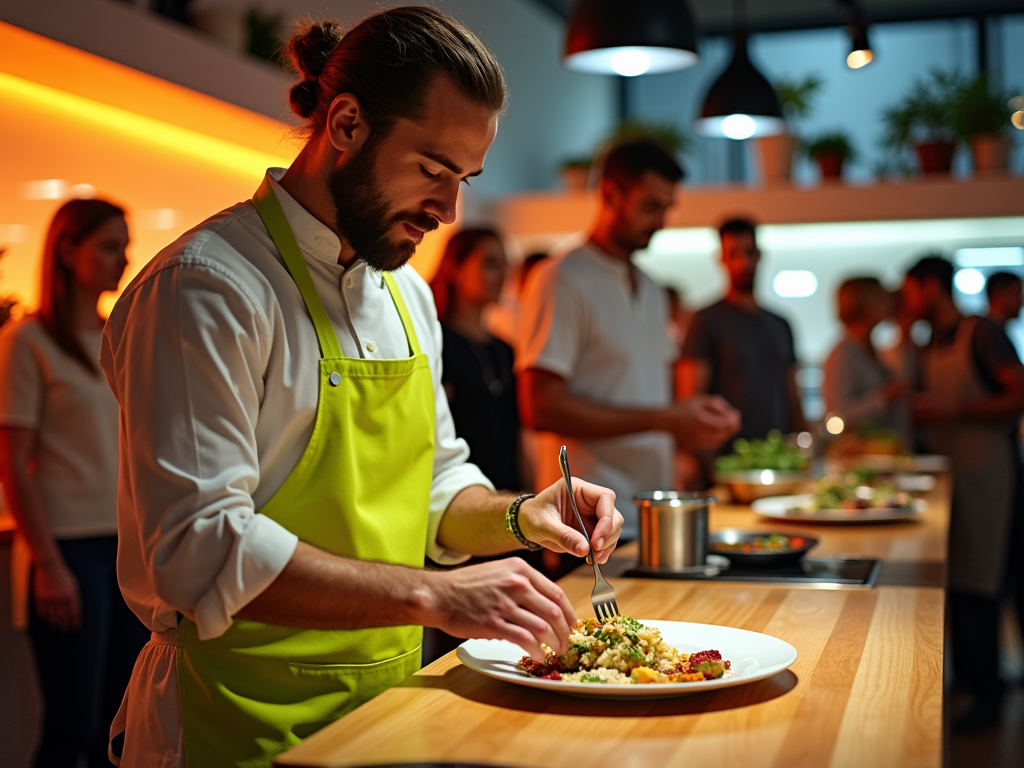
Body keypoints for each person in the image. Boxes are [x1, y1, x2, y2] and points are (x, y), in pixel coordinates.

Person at [99, 10, 623, 767]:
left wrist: (524, 514)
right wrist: (434, 596)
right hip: (233, 717)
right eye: (432, 170)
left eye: (463, 180)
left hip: (386, 708)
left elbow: (437, 487)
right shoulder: (205, 288)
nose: (449, 211)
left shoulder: (406, 295)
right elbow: (199, 548)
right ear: (345, 124)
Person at [517, 138, 740, 539]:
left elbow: (648, 389)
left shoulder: (652, 288)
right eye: (651, 206)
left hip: (649, 508)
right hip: (585, 521)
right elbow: (540, 406)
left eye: (667, 207)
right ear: (610, 194)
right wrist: (667, 420)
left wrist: (693, 419)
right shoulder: (561, 279)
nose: (661, 221)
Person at [0, 199, 149, 768]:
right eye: (110, 246)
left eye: (125, 246)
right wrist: (48, 562)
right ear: (67, 250)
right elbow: (13, 462)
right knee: (74, 723)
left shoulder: (118, 335)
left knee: (123, 722)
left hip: (126, 547)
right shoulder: (27, 341)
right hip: (68, 548)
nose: (123, 259)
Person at [902, 255, 1024, 731]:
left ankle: (988, 694)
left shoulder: (984, 333)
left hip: (990, 472)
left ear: (931, 288)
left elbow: (1018, 394)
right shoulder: (929, 340)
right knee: (962, 585)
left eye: (911, 291)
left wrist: (956, 408)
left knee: (985, 583)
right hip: (954, 475)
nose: (908, 301)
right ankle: (973, 683)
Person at [679, 218, 808, 451]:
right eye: (734, 254)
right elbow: (691, 400)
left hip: (778, 455)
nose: (742, 263)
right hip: (727, 459)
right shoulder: (706, 321)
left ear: (759, 255)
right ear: (722, 259)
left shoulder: (780, 324)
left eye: (749, 253)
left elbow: (793, 396)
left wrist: (805, 444)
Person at [429, 228, 520, 494]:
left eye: (505, 266)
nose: (502, 275)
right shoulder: (438, 342)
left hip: (508, 495)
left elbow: (517, 436)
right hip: (459, 493)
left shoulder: (504, 349)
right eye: (490, 263)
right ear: (454, 268)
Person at [822, 277, 911, 446]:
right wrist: (883, 398)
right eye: (881, 298)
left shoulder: (874, 349)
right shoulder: (842, 355)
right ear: (866, 304)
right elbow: (836, 417)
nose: (889, 304)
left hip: (884, 454)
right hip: (861, 459)